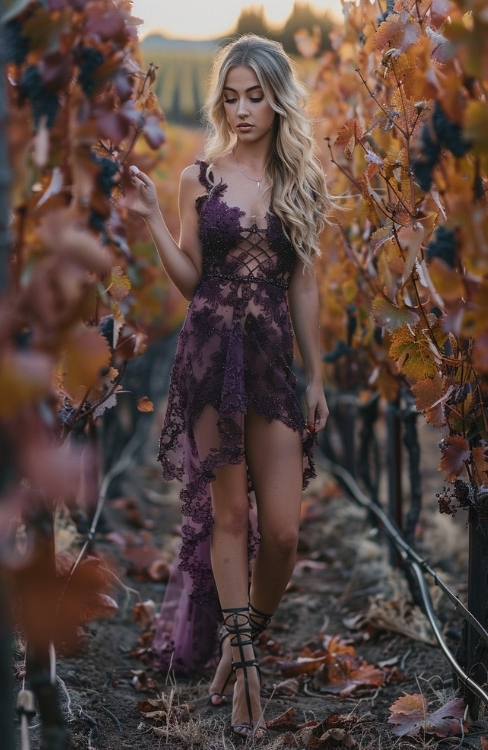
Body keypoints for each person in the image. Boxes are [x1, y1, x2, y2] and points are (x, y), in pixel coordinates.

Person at [125, 33, 331, 740]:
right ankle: (245, 673)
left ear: (278, 100)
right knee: (229, 520)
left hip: (271, 356)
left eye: (257, 95)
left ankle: (244, 645)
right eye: (233, 95)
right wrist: (153, 216)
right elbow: (190, 282)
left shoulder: (300, 180)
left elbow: (304, 285)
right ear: (222, 99)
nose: (242, 109)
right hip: (210, 353)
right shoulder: (199, 177)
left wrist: (318, 376)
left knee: (280, 532)